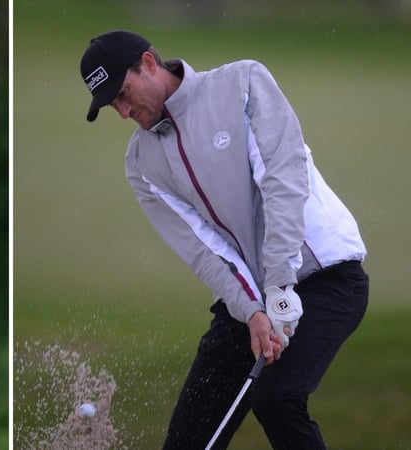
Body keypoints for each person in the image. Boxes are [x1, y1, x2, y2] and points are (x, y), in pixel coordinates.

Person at [79, 30, 369, 449]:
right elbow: (202, 250)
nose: (123, 112)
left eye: (123, 94)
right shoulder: (141, 162)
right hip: (250, 300)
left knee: (276, 399)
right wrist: (253, 311)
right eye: (112, 105)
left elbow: (282, 180)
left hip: (325, 276)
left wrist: (280, 284)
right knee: (187, 439)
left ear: (148, 63)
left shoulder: (241, 84)